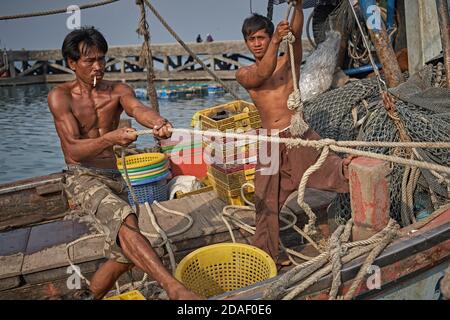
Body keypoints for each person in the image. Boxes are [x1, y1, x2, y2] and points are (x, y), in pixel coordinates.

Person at [48, 27, 200, 300]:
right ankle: (175, 289)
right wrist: (110, 139)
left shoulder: (117, 90)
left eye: (102, 59)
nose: (98, 67)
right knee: (126, 221)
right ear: (72, 63)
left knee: (126, 253)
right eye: (90, 61)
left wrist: (158, 122)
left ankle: (87, 297)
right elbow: (74, 149)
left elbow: (137, 108)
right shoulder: (61, 97)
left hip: (114, 176)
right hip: (82, 175)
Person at [236, 4, 352, 263]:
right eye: (251, 39)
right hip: (268, 143)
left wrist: (297, 7)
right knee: (265, 201)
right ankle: (267, 257)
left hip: (297, 134)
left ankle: (370, 216)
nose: (256, 43)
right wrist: (276, 39)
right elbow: (261, 74)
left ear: (268, 37)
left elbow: (296, 36)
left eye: (261, 38)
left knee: (336, 172)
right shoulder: (244, 73)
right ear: (246, 42)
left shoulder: (287, 62)